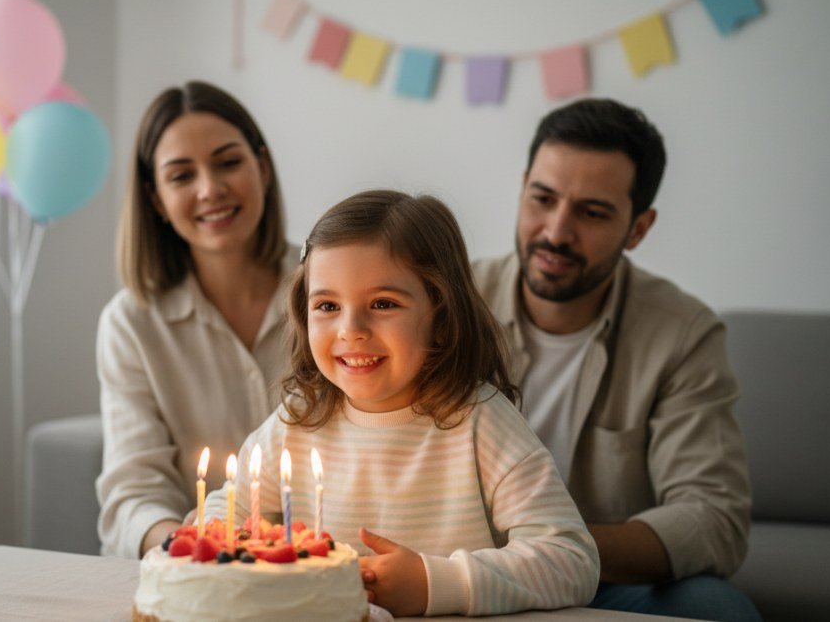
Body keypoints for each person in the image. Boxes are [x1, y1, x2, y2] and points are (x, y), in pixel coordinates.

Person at [204, 190, 600, 617]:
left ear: (442, 317)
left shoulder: (480, 423)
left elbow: (572, 559)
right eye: (327, 306)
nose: (350, 329)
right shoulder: (296, 420)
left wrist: (436, 584)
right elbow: (228, 513)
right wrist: (207, 535)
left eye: (383, 304)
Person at [472, 98, 759, 621]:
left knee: (718, 608)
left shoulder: (683, 333)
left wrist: (558, 551)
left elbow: (713, 516)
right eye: (543, 199)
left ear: (638, 228)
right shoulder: (452, 300)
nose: (556, 232)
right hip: (460, 563)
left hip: (604, 578)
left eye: (592, 212)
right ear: (522, 189)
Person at [95, 81, 298, 558]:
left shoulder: (332, 297)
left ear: (262, 168)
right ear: (156, 199)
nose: (211, 189)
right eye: (182, 176)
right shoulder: (131, 324)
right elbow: (132, 493)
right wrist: (185, 544)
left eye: (228, 163)